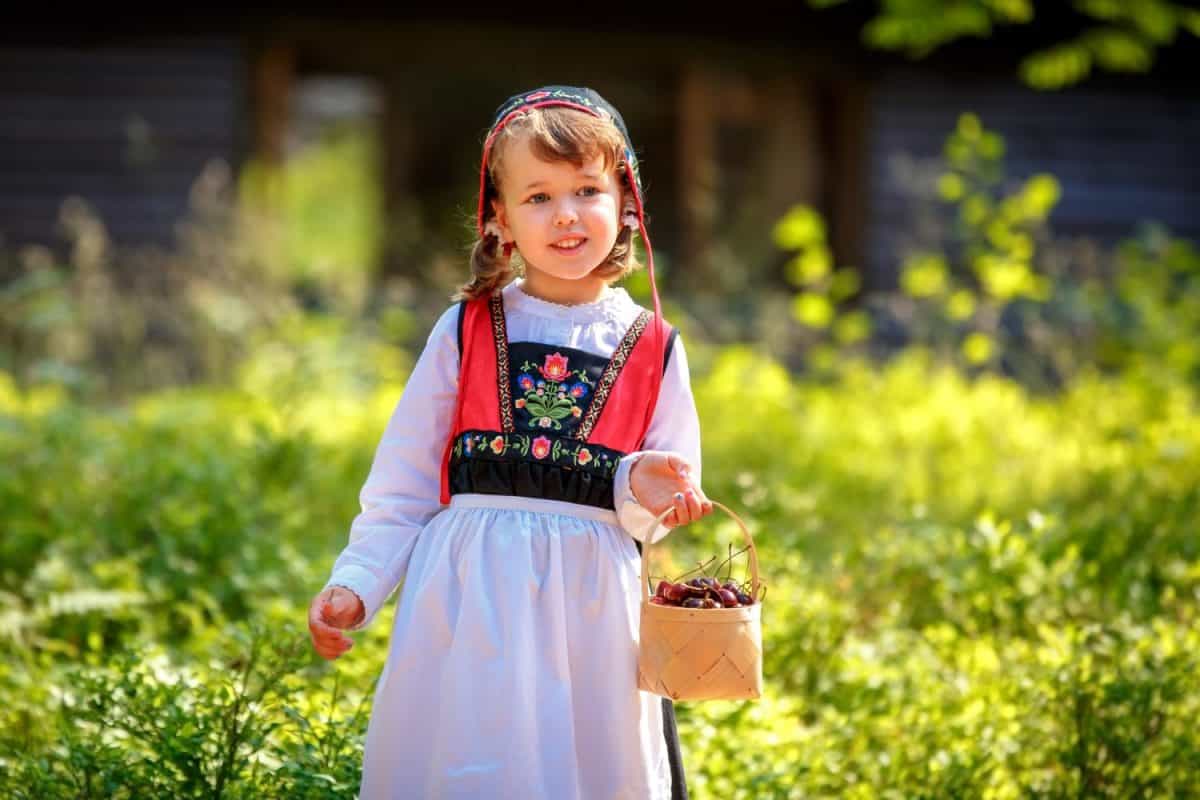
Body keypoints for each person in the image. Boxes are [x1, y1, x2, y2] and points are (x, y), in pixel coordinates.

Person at [307, 85, 713, 800]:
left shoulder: (653, 346)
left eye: (588, 189)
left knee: (587, 771)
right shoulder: (464, 330)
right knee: (469, 764)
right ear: (498, 219)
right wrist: (358, 583)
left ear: (626, 203)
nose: (565, 215)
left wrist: (648, 489)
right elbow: (404, 486)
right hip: (469, 610)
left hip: (591, 619)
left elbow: (660, 499)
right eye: (537, 197)